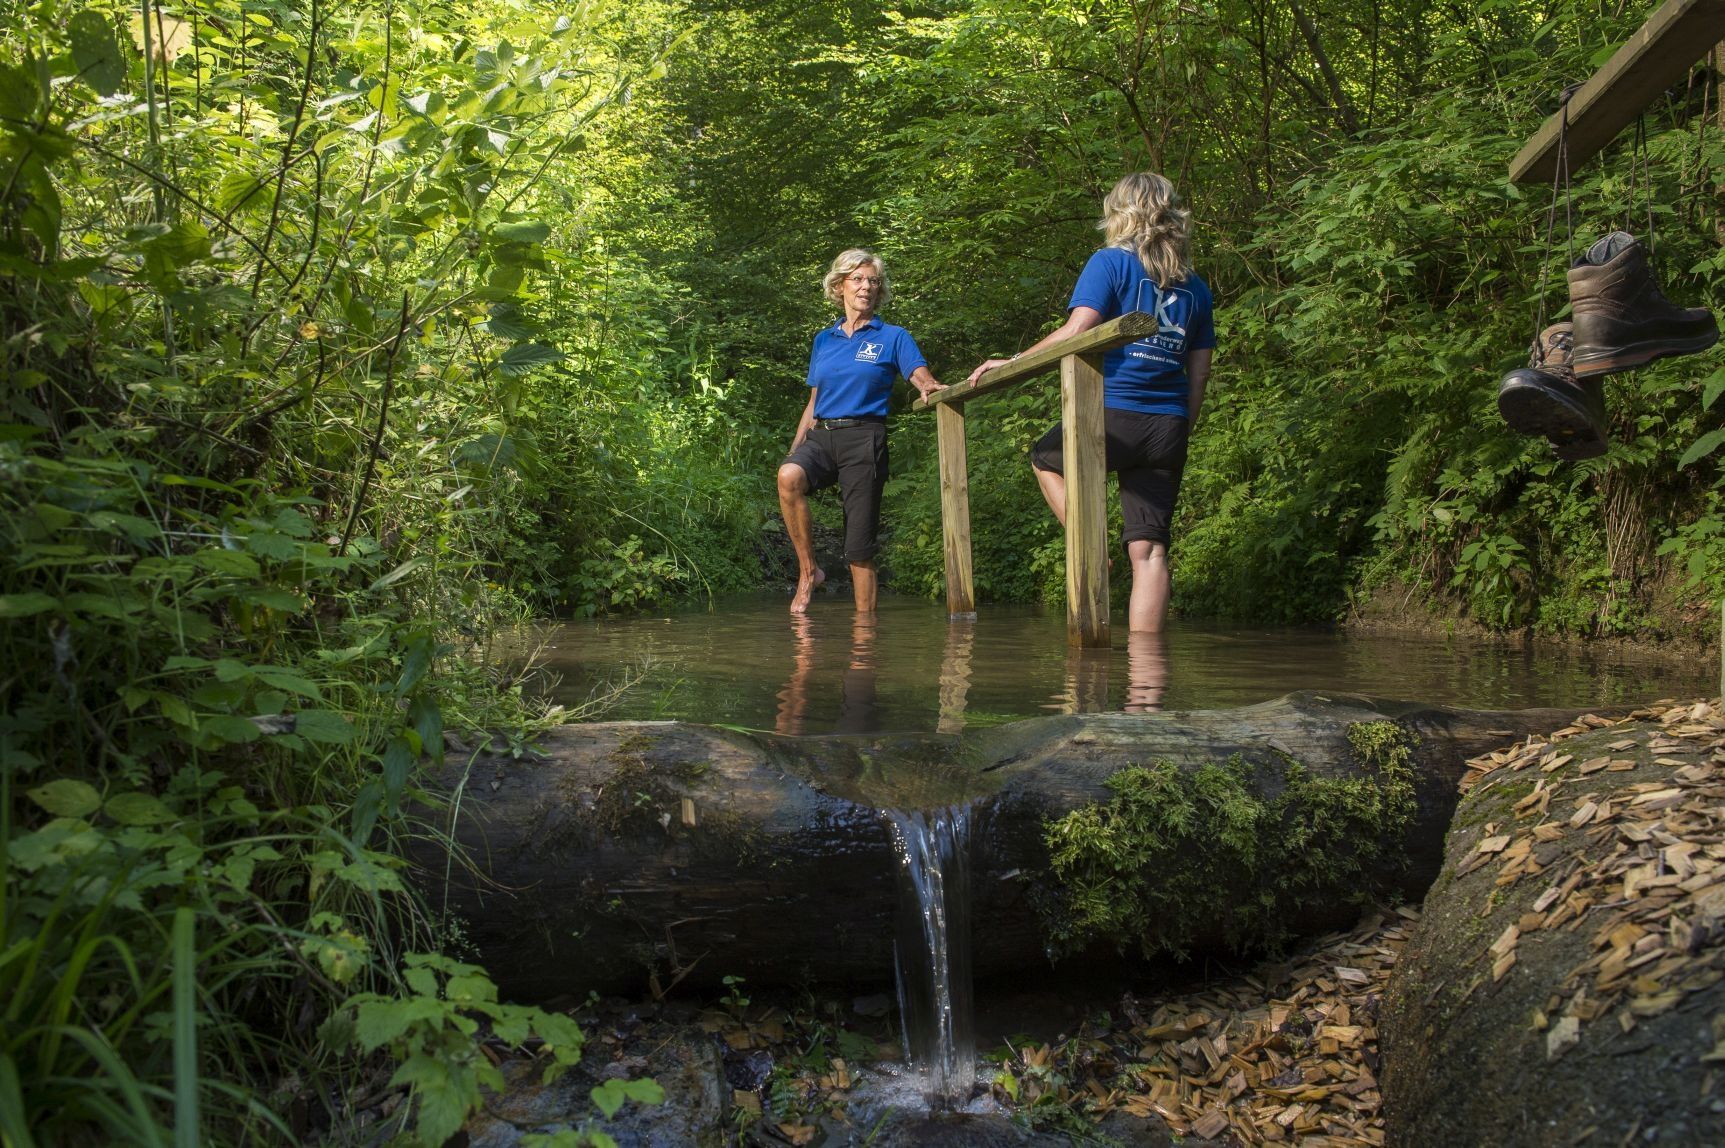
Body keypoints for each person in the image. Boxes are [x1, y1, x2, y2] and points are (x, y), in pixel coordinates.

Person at [965, 172, 1215, 633]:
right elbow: (1199, 373)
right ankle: (1145, 688)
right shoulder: (1196, 287)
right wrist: (1183, 426)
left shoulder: (1110, 263)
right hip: (1169, 423)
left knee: (1045, 458)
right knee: (1152, 550)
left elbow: (1078, 331)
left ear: (1120, 212)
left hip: (1113, 412)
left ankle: (1091, 543)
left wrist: (1012, 361)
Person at [779, 249, 943, 613]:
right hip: (822, 434)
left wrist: (929, 385)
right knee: (788, 476)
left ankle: (865, 637)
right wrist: (796, 446)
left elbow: (919, 374)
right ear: (839, 286)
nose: (867, 286)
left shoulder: (894, 336)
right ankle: (809, 573)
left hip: (864, 438)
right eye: (858, 279)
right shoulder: (824, 340)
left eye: (873, 281)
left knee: (859, 547)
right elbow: (814, 399)